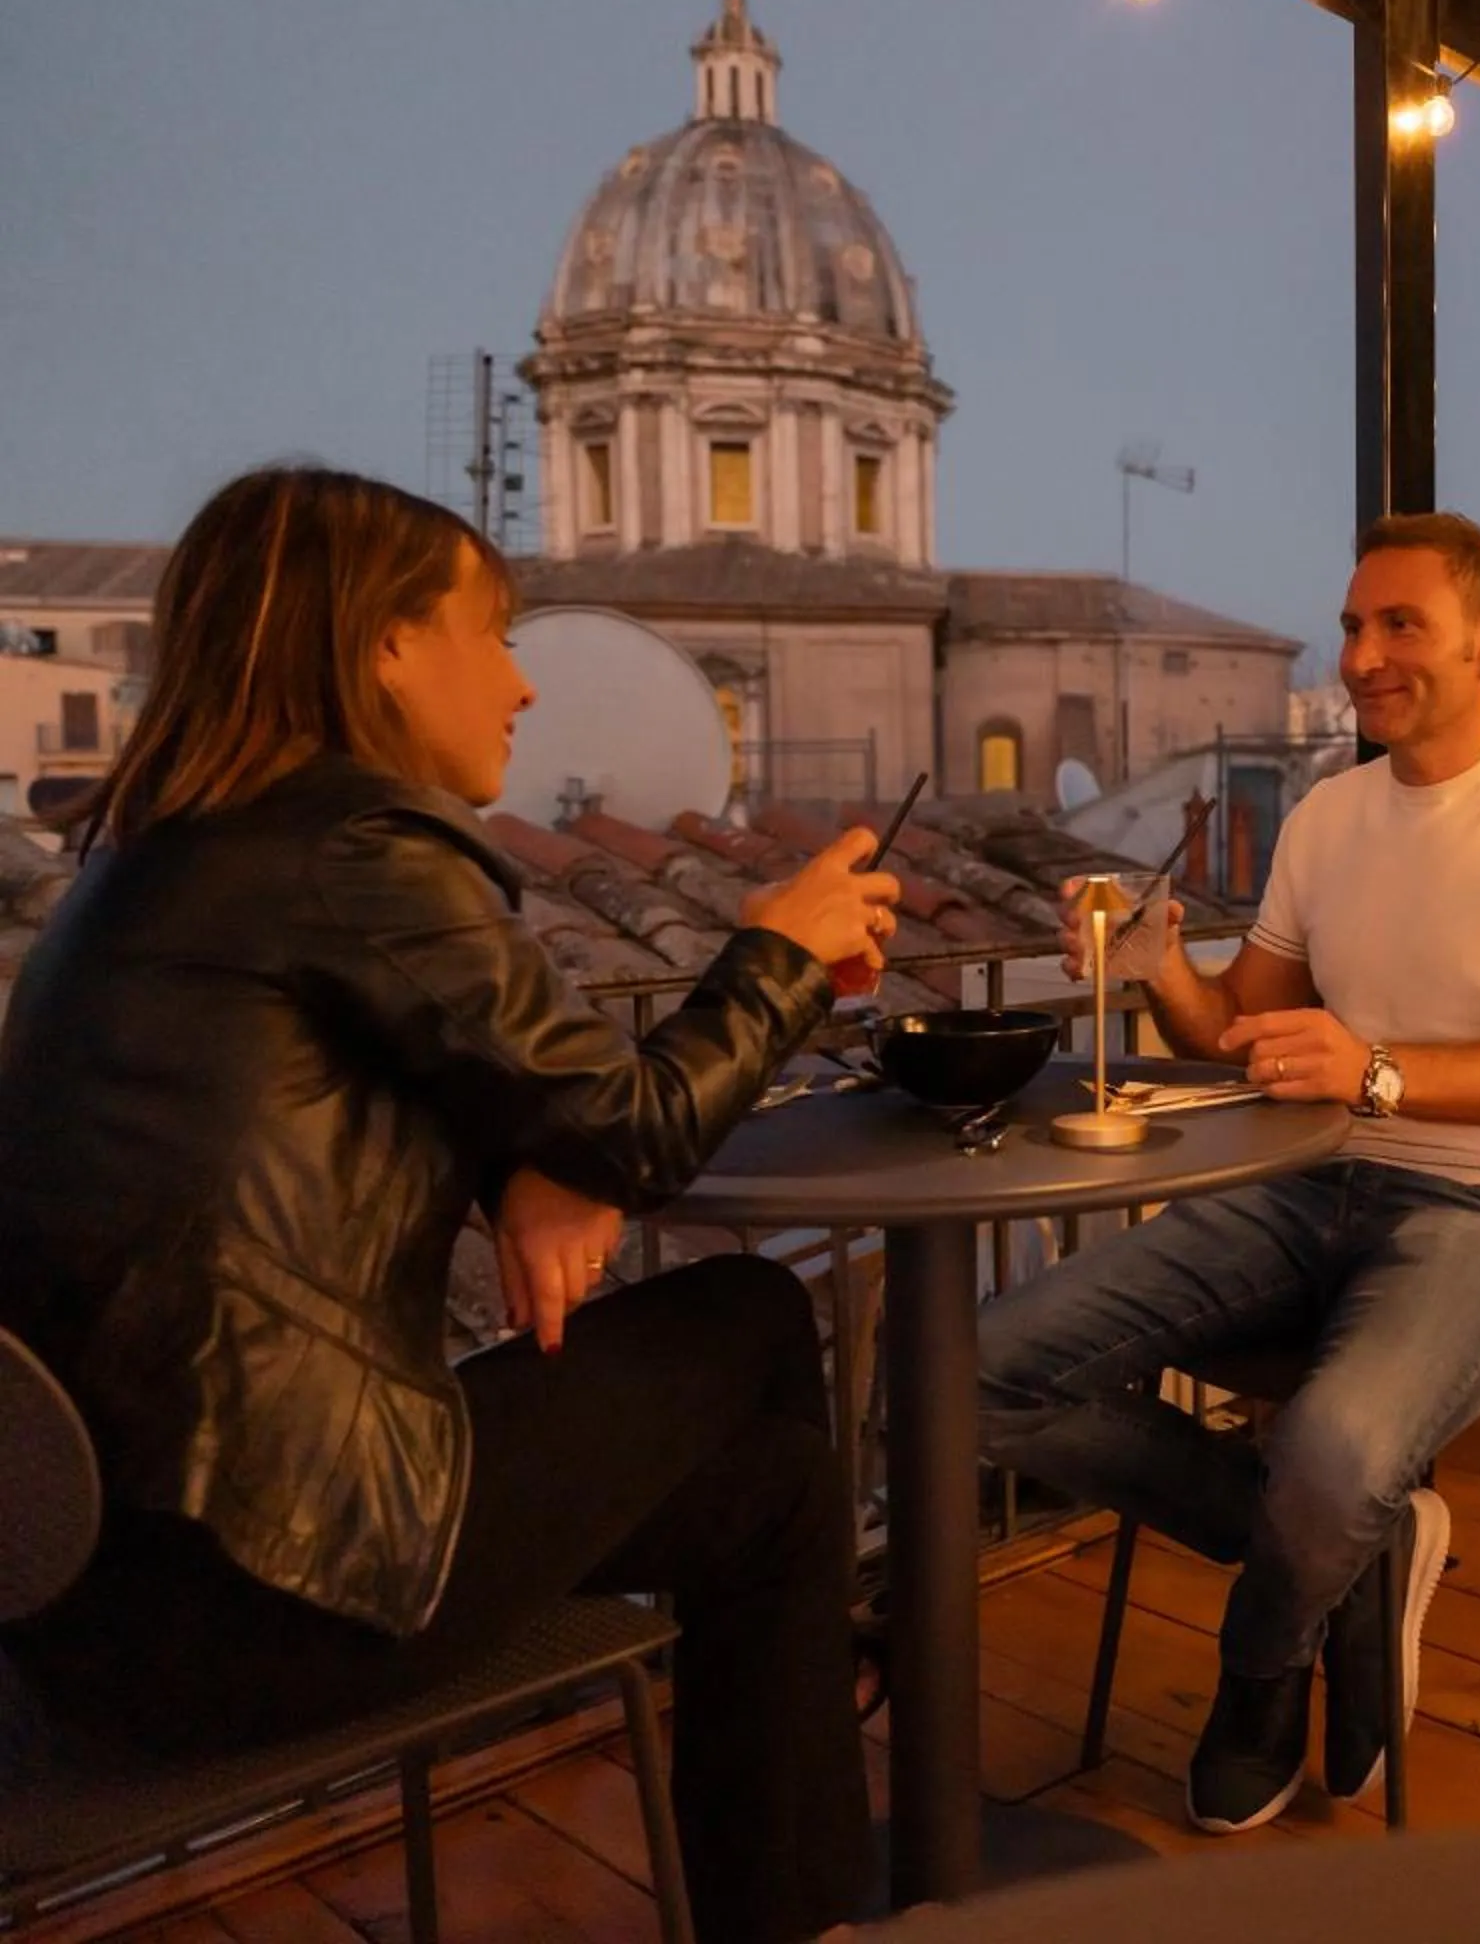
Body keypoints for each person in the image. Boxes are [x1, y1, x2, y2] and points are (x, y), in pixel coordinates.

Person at [0, 468, 900, 1944]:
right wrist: (778, 953)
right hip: (270, 1590)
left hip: (92, 1584)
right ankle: (816, 1802)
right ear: (384, 646)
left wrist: (526, 1165)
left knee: (773, 1479)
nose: (526, 685)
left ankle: (802, 1857)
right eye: (492, 632)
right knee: (751, 1341)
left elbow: (360, 1074)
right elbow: (645, 1124)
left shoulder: (155, 865)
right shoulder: (359, 852)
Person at [975, 513, 1480, 1835]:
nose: (1363, 656)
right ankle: (1356, 1550)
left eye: (1401, 626)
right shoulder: (1331, 818)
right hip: (1310, 1183)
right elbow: (1230, 1031)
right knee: (978, 1369)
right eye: (1352, 625)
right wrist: (1160, 956)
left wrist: (1376, 1070)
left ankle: (1261, 1665)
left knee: (1331, 1452)